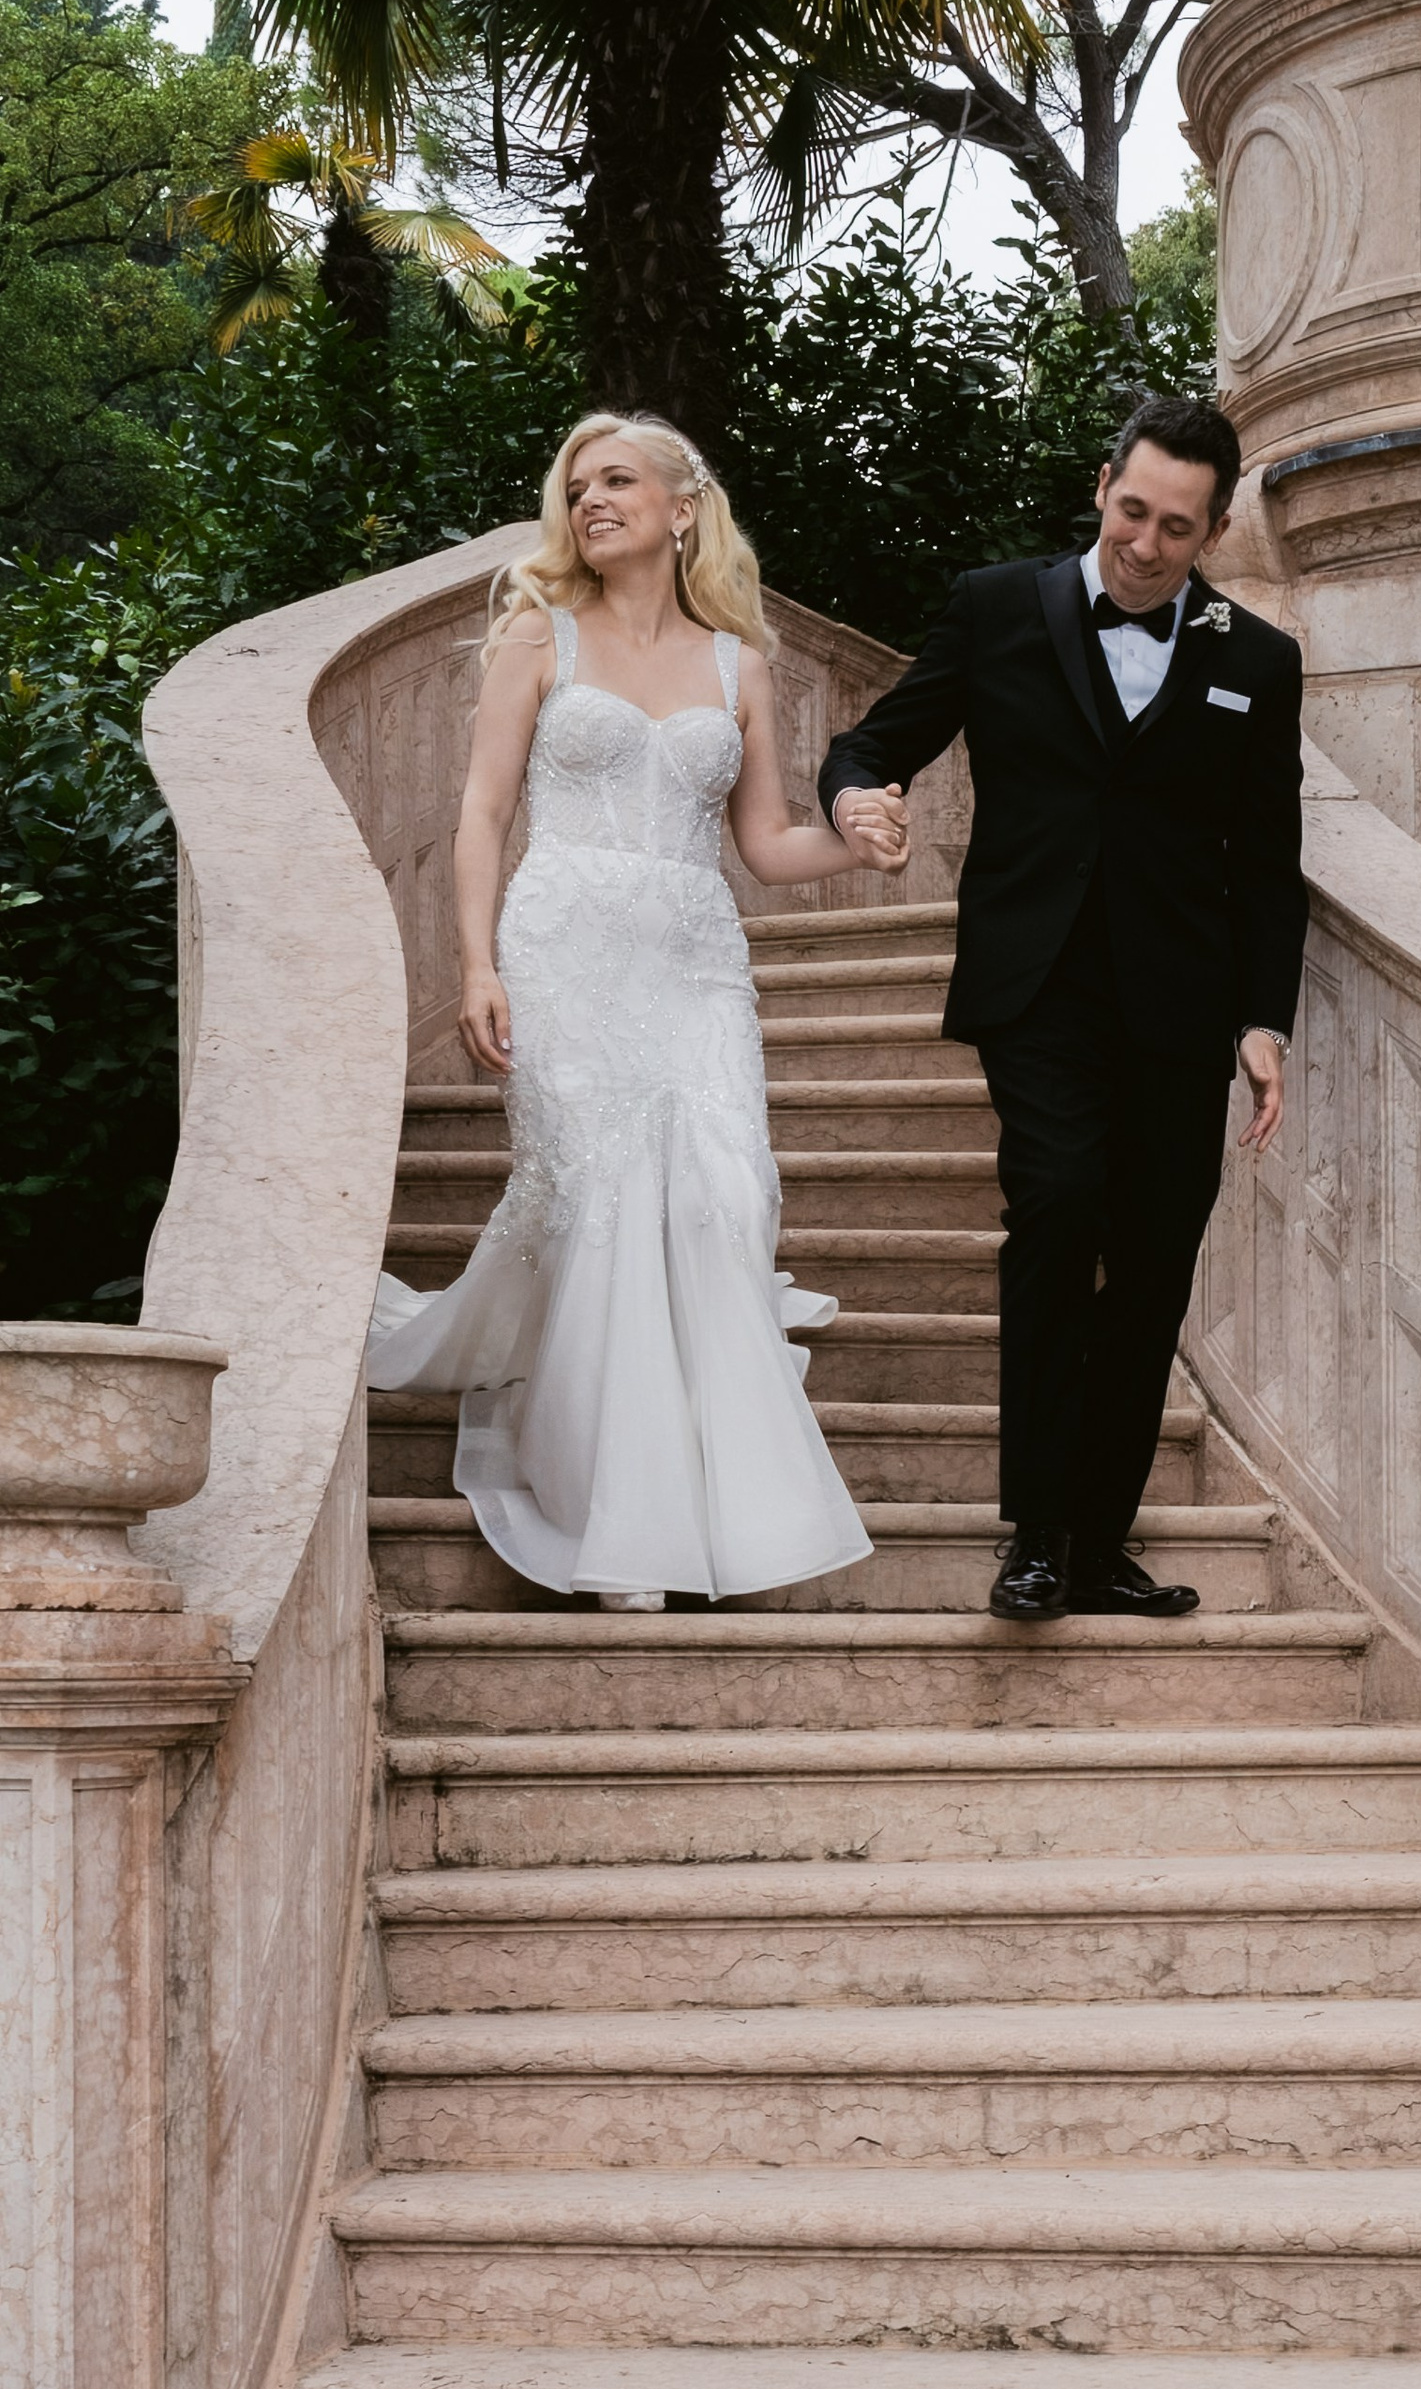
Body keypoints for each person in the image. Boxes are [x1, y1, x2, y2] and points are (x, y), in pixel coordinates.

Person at [366, 413, 874, 1611]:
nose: (591, 499)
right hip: (565, 945)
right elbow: (483, 815)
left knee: (726, 1194)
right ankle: (610, 1519)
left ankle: (712, 1504)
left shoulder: (737, 662)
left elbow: (762, 842)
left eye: (617, 480)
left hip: (696, 958)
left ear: (681, 507)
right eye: (577, 485)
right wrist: (477, 967)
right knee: (596, 1206)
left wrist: (852, 846)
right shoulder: (537, 636)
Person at [817, 391, 1304, 1621]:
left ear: (1217, 527)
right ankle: (1034, 1534)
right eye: (1131, 512)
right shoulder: (997, 607)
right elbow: (874, 742)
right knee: (1057, 1201)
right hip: (1037, 987)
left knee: (1149, 1269)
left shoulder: (1257, 659)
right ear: (1102, 487)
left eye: (1176, 529)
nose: (1144, 546)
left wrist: (1264, 1018)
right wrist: (854, 799)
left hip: (1181, 1007)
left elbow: (1268, 854)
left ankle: (1098, 1541)